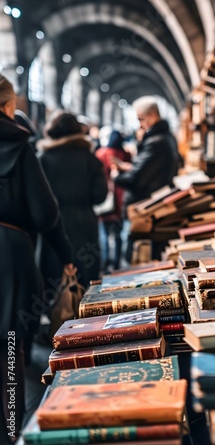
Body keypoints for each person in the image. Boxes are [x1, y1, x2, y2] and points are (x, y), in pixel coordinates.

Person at [0, 76, 74, 443]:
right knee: (13, 342)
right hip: (10, 254)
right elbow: (46, 214)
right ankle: (11, 430)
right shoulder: (20, 147)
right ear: (7, 107)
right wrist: (66, 256)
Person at [37, 111, 108, 289]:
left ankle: (57, 315)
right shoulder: (90, 159)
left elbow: (35, 198)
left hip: (53, 227)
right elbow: (100, 196)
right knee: (87, 281)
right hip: (85, 225)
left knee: (55, 283)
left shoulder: (42, 160)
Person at [113, 96, 180, 261]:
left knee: (138, 259)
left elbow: (135, 179)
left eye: (141, 119)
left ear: (151, 116)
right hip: (154, 206)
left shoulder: (155, 142)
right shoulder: (166, 137)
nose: (140, 124)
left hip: (147, 209)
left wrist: (117, 176)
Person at [95, 130, 131, 271]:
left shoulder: (100, 154)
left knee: (103, 235)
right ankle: (117, 264)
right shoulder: (125, 154)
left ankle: (104, 265)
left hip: (105, 200)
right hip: (121, 200)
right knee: (118, 235)